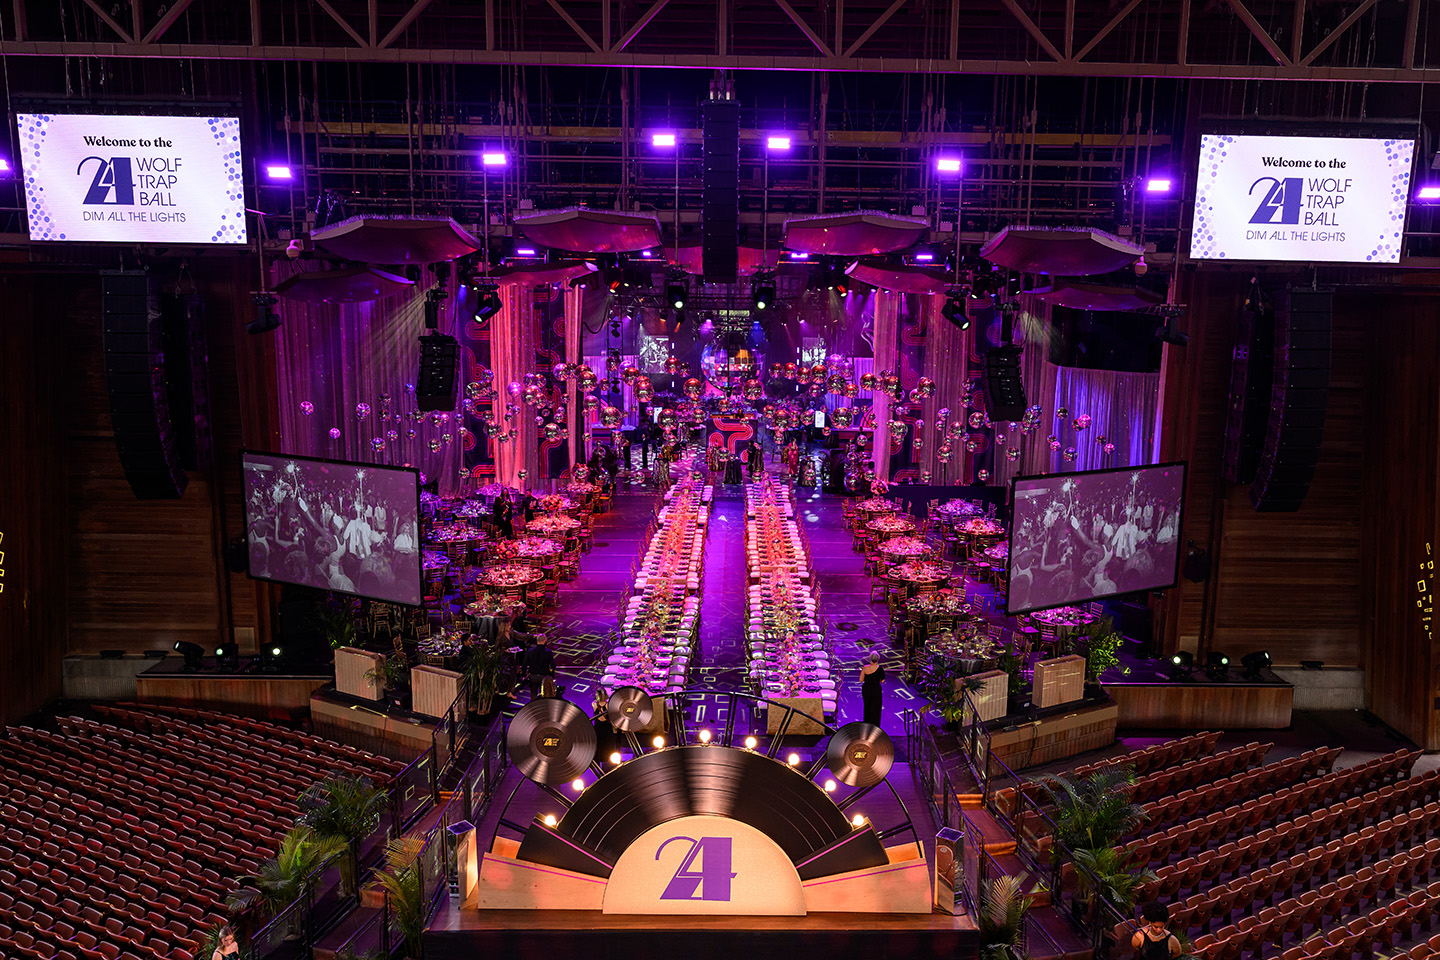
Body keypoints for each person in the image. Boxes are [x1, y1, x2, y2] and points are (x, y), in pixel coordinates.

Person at [522, 634, 557, 699]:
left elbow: (524, 664)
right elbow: (553, 665)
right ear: (544, 640)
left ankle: (533, 707)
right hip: (544, 677)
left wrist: (524, 675)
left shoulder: (530, 651)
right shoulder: (548, 652)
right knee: (545, 695)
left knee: (533, 694)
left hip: (533, 676)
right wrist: (551, 674)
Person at [860, 652, 886, 727]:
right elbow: (882, 680)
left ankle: (866, 724)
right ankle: (875, 726)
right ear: (878, 659)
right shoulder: (880, 668)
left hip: (867, 689)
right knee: (876, 707)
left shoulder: (865, 667)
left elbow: (861, 680)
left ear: (870, 658)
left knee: (867, 706)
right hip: (876, 690)